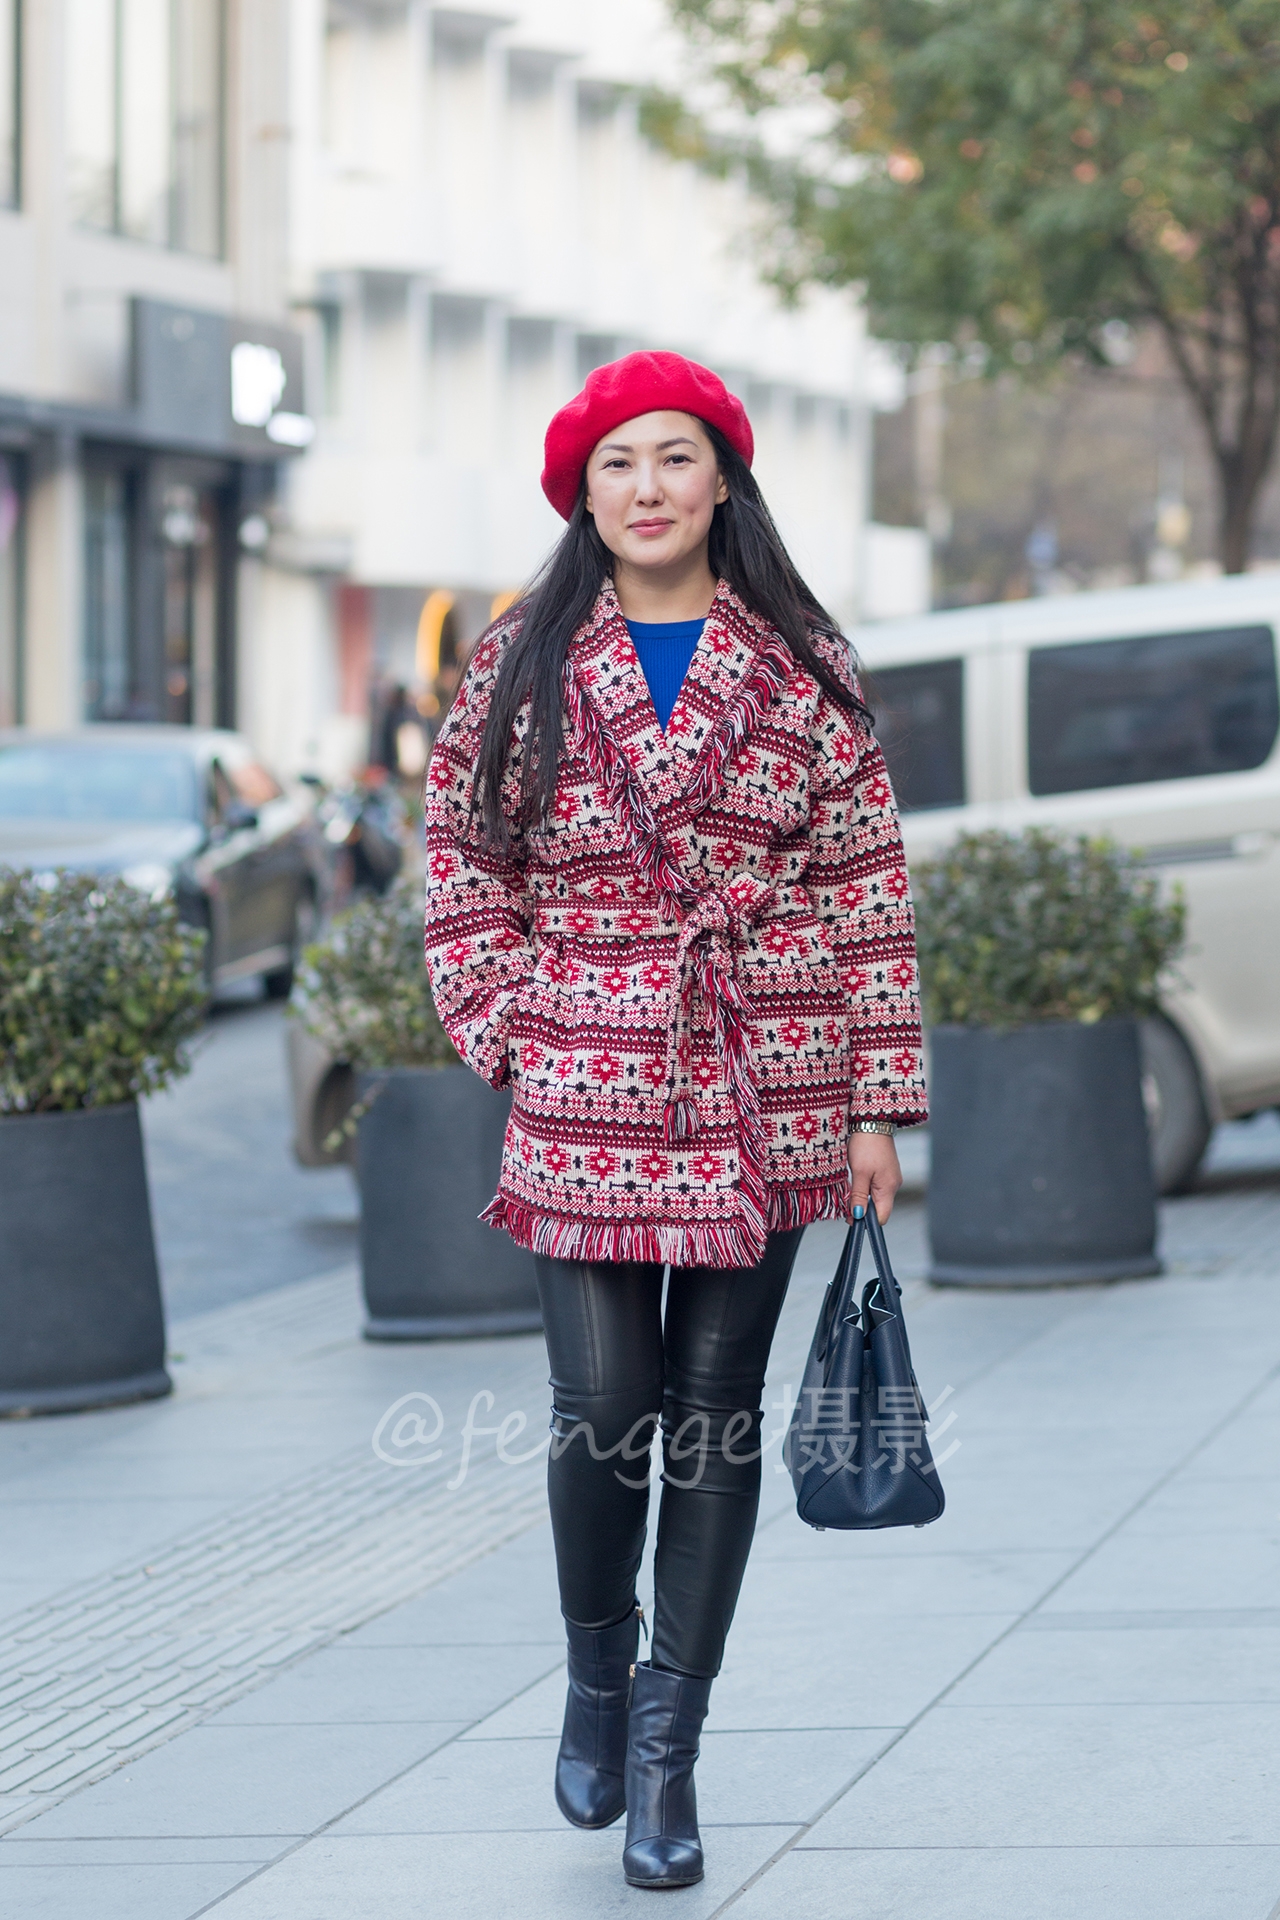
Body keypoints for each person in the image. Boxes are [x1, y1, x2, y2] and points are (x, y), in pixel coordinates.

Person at [423, 351, 926, 1891]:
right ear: (584, 491)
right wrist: (514, 1024)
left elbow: (864, 885)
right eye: (618, 464)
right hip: (581, 1077)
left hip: (764, 1077)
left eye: (676, 459)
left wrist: (874, 1104)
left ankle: (665, 1753)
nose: (648, 488)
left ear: (725, 482)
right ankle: (593, 1670)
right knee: (601, 1408)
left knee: (714, 1424)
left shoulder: (799, 662)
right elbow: (459, 858)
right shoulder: (521, 658)